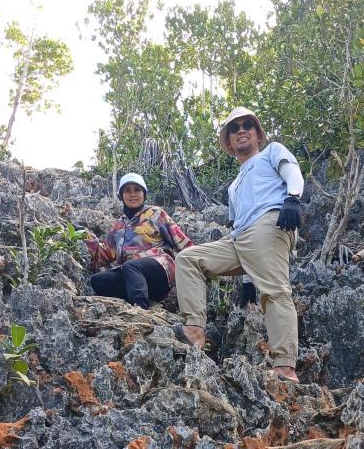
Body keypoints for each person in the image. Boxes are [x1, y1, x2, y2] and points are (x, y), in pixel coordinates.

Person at [174, 107, 303, 382]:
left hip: (269, 224)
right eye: (234, 128)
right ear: (229, 142)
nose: (241, 130)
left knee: (275, 292)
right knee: (189, 259)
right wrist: (246, 281)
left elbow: (293, 171)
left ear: (258, 135)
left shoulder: (271, 153)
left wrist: (293, 197)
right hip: (240, 238)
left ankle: (285, 367)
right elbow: (238, 228)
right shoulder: (233, 186)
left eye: (248, 125)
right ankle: (195, 331)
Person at [85, 173, 193, 309]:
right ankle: (135, 298)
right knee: (97, 280)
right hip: (131, 277)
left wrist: (197, 266)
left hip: (159, 271)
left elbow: (183, 242)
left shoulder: (156, 214)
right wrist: (87, 237)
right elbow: (103, 256)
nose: (133, 194)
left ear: (144, 193)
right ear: (121, 195)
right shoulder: (118, 226)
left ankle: (141, 309)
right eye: (127, 190)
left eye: (137, 189)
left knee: (131, 266)